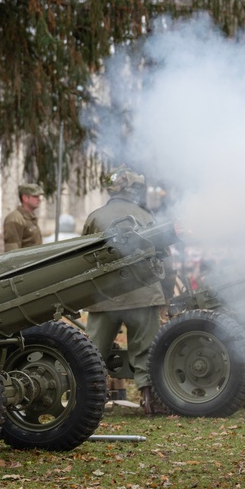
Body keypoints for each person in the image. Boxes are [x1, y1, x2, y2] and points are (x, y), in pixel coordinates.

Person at [82, 166, 166, 415]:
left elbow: (82, 258)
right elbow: (162, 254)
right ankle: (150, 401)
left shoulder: (95, 217)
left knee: (93, 352)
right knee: (146, 350)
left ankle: (87, 403)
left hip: (105, 296)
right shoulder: (145, 216)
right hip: (143, 292)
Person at [3, 183, 43, 250]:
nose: (39, 199)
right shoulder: (15, 218)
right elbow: (12, 252)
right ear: (25, 198)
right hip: (26, 260)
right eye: (35, 196)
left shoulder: (30, 218)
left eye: (39, 196)